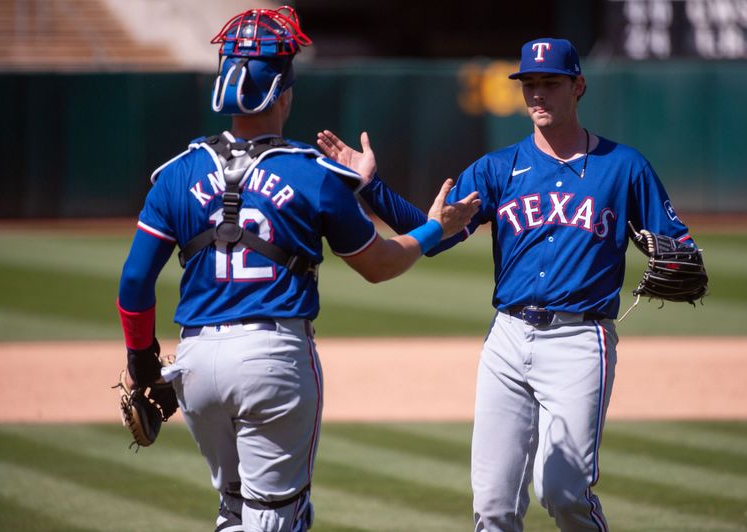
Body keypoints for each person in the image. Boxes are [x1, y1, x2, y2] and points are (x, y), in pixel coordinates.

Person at [116, 7, 480, 532]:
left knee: (233, 511)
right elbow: (379, 265)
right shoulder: (312, 173)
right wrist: (434, 229)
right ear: (284, 93)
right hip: (273, 359)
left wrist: (143, 365)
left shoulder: (177, 174)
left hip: (195, 365)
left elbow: (133, 283)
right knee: (277, 519)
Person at [318, 37, 703, 531]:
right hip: (507, 338)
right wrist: (371, 186)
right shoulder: (499, 168)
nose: (538, 94)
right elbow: (432, 235)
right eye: (529, 84)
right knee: (494, 507)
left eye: (550, 83)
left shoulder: (624, 167)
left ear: (578, 86)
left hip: (580, 340)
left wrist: (677, 258)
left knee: (564, 494)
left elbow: (679, 247)